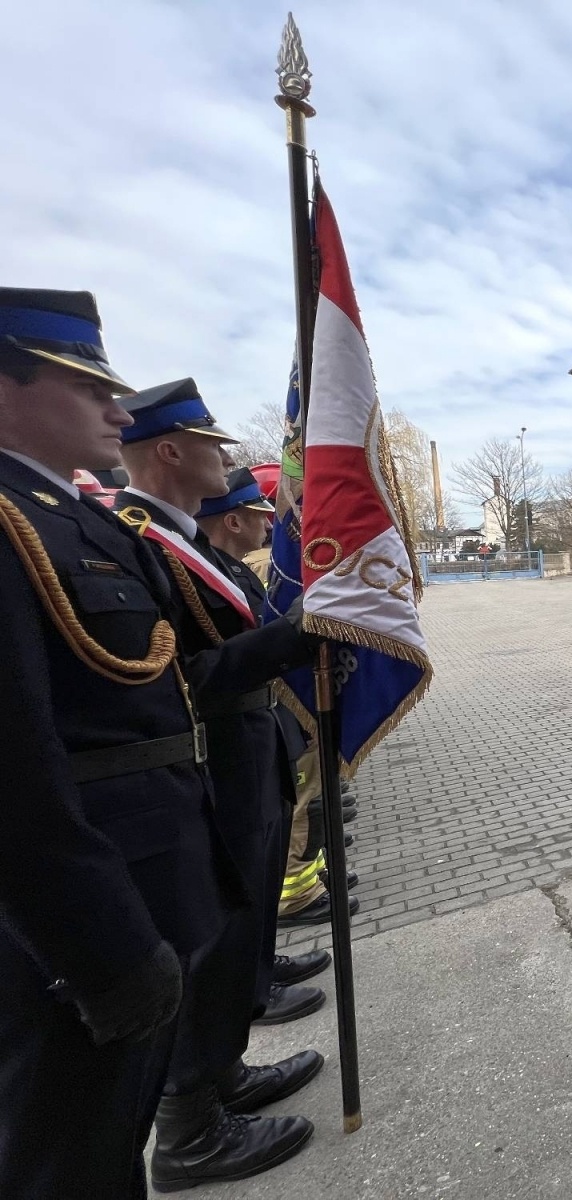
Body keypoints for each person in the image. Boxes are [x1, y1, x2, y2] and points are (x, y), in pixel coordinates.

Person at [0, 289, 245, 1197]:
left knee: (109, 1149)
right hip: (81, 912)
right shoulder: (13, 523)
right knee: (65, 1157)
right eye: (86, 384)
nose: (116, 407)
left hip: (146, 868)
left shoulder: (79, 520)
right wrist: (98, 944)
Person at [114, 384, 324, 1188]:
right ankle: (190, 1130)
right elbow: (178, 675)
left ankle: (223, 1076)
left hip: (244, 757)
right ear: (169, 451)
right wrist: (297, 637)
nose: (226, 458)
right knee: (208, 946)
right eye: (212, 444)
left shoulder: (181, 542)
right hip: (209, 768)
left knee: (236, 935)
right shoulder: (141, 539)